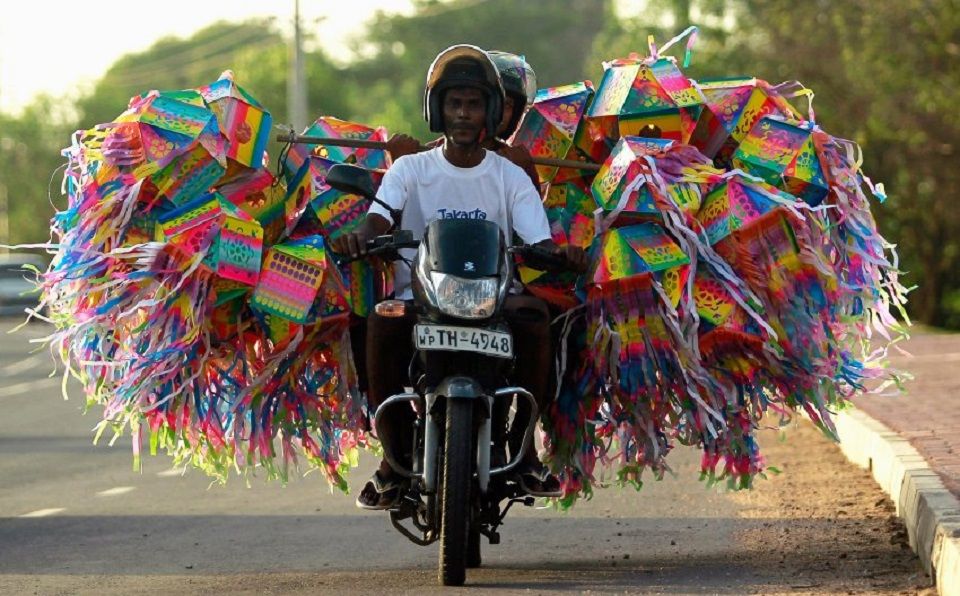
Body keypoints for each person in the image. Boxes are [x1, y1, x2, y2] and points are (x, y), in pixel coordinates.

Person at [331, 44, 586, 510]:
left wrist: (562, 253)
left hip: (494, 301)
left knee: (533, 315)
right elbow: (377, 220)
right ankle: (392, 456)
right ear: (437, 109)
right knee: (379, 319)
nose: (463, 115)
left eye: (472, 104)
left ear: (489, 109)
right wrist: (358, 238)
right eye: (454, 103)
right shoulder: (409, 169)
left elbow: (537, 238)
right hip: (422, 298)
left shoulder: (510, 175)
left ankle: (524, 449)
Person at [385, 50, 540, 189]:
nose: (465, 113)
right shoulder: (422, 159)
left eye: (506, 105)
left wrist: (521, 177)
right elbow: (399, 214)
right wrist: (399, 166)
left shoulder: (518, 162)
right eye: (457, 103)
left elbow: (531, 218)